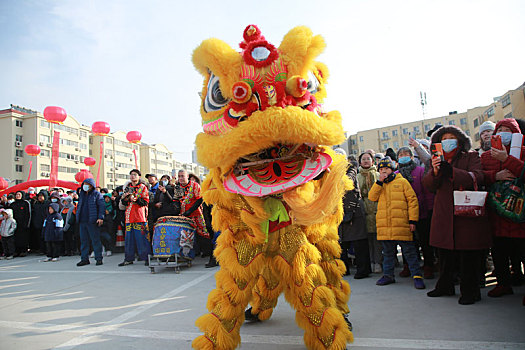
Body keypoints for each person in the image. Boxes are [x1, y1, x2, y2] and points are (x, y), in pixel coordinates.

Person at [423, 125, 492, 305]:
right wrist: (436, 172)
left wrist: (451, 171)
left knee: (467, 255)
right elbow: (429, 185)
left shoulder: (471, 157)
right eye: (443, 139)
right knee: (444, 252)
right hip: (444, 212)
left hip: (465, 212)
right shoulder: (436, 159)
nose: (447, 141)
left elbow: (477, 177)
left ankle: (470, 291)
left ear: (460, 141)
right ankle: (444, 285)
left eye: (451, 138)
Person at [481, 118, 525, 298]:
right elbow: (480, 176)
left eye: (508, 130)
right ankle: (503, 284)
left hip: (519, 213)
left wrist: (506, 159)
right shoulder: (486, 156)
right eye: (500, 129)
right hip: (497, 212)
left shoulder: (522, 152)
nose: (503, 133)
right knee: (499, 252)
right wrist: (494, 175)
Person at [369, 157, 425, 289]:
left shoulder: (402, 182)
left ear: (392, 169)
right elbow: (372, 197)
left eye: (386, 169)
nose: (384, 172)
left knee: (410, 253)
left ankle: (417, 276)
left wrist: (412, 220)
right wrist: (379, 183)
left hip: (402, 225)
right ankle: (388, 275)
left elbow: (412, 201)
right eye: (381, 169)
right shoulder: (379, 184)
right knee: (387, 254)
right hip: (386, 227)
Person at [396, 147, 435, 279]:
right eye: (401, 154)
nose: (403, 156)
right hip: (403, 213)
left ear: (412, 157)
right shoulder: (396, 174)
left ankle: (429, 265)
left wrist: (429, 208)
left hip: (421, 211)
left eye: (406, 154)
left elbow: (427, 192)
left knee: (425, 241)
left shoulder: (420, 171)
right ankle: (408, 265)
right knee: (407, 242)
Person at [339, 152, 371, 279]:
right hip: (339, 210)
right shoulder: (330, 170)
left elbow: (348, 181)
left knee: (359, 243)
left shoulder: (351, 167)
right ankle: (343, 269)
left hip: (354, 208)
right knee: (341, 244)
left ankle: (363, 270)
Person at [118, 169, 151, 266]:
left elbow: (145, 202)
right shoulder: (128, 187)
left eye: (135, 175)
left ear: (139, 177)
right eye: (131, 175)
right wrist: (125, 198)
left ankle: (146, 258)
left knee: (142, 239)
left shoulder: (142, 187)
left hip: (140, 216)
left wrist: (136, 199)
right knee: (129, 239)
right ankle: (128, 258)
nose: (133, 176)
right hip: (129, 217)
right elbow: (124, 203)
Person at [357, 151, 382, 273]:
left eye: (368, 158)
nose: (366, 161)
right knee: (366, 239)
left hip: (378, 207)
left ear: (373, 161)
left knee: (378, 239)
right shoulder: (357, 176)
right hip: (363, 209)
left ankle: (378, 262)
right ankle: (370, 262)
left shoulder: (378, 174)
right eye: (363, 159)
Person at [178, 170, 210, 257]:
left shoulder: (195, 185)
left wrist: (189, 211)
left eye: (182, 176)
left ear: (187, 176)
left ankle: (206, 252)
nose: (180, 178)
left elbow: (200, 199)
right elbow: (176, 200)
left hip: (196, 213)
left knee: (202, 232)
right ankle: (193, 252)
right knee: (187, 234)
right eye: (179, 176)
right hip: (183, 215)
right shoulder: (178, 187)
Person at [76, 178, 105, 266]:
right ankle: (84, 259)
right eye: (84, 184)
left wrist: (100, 217)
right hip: (82, 221)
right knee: (84, 241)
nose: (85, 186)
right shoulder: (82, 194)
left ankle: (98, 258)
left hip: (92, 221)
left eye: (87, 184)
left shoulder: (96, 194)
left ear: (91, 185)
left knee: (95, 240)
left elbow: (101, 206)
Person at [11, 191, 31, 257]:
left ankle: (23, 250)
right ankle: (17, 251)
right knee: (16, 238)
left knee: (23, 238)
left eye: (19, 194)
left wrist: (27, 224)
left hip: (23, 224)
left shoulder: (25, 203)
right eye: (16, 194)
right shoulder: (13, 204)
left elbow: (28, 214)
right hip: (15, 223)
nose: (17, 196)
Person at [31, 190, 50, 255]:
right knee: (39, 237)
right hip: (38, 223)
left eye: (41, 196)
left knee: (46, 237)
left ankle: (47, 250)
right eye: (39, 196)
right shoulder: (36, 204)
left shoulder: (48, 203)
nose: (40, 197)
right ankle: (41, 249)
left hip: (46, 223)